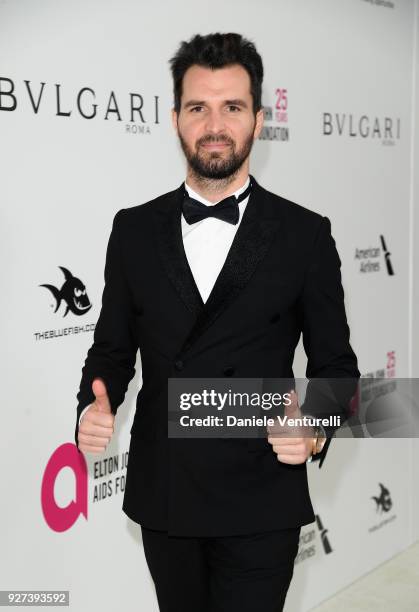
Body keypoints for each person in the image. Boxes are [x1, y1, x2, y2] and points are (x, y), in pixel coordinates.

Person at [75, 32, 360, 612]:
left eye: (232, 107)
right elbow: (111, 349)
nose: (214, 124)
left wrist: (314, 427)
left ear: (258, 120)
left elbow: (337, 366)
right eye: (198, 107)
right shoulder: (133, 229)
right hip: (167, 491)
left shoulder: (305, 234)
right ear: (175, 117)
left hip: (261, 492)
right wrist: (91, 402)